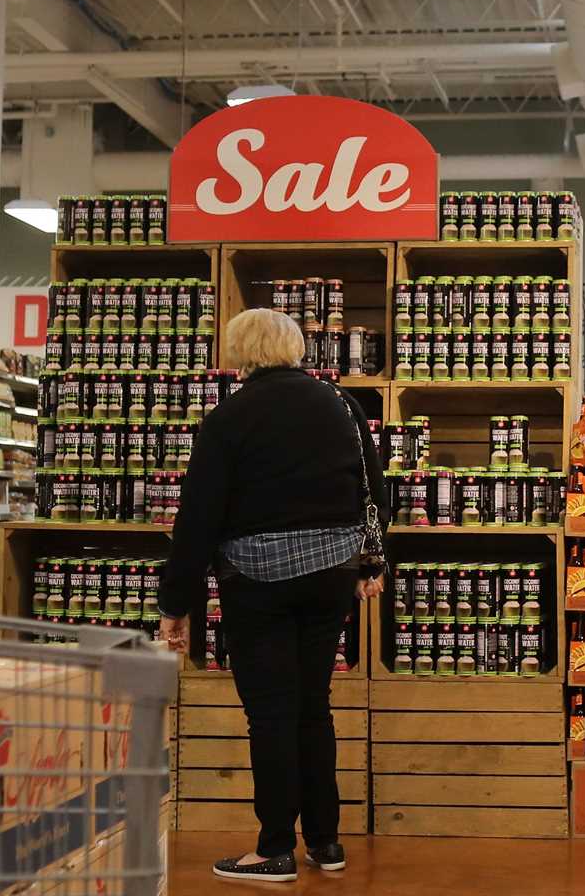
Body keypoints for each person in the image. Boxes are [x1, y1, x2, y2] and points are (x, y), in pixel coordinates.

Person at [158, 309, 388, 883]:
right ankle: (327, 843)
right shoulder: (342, 405)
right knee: (313, 706)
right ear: (296, 347)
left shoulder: (230, 418)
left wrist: (175, 603)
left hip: (257, 580)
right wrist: (373, 563)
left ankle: (274, 848)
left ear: (241, 352)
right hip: (331, 574)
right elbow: (373, 489)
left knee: (271, 714)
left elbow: (199, 516)